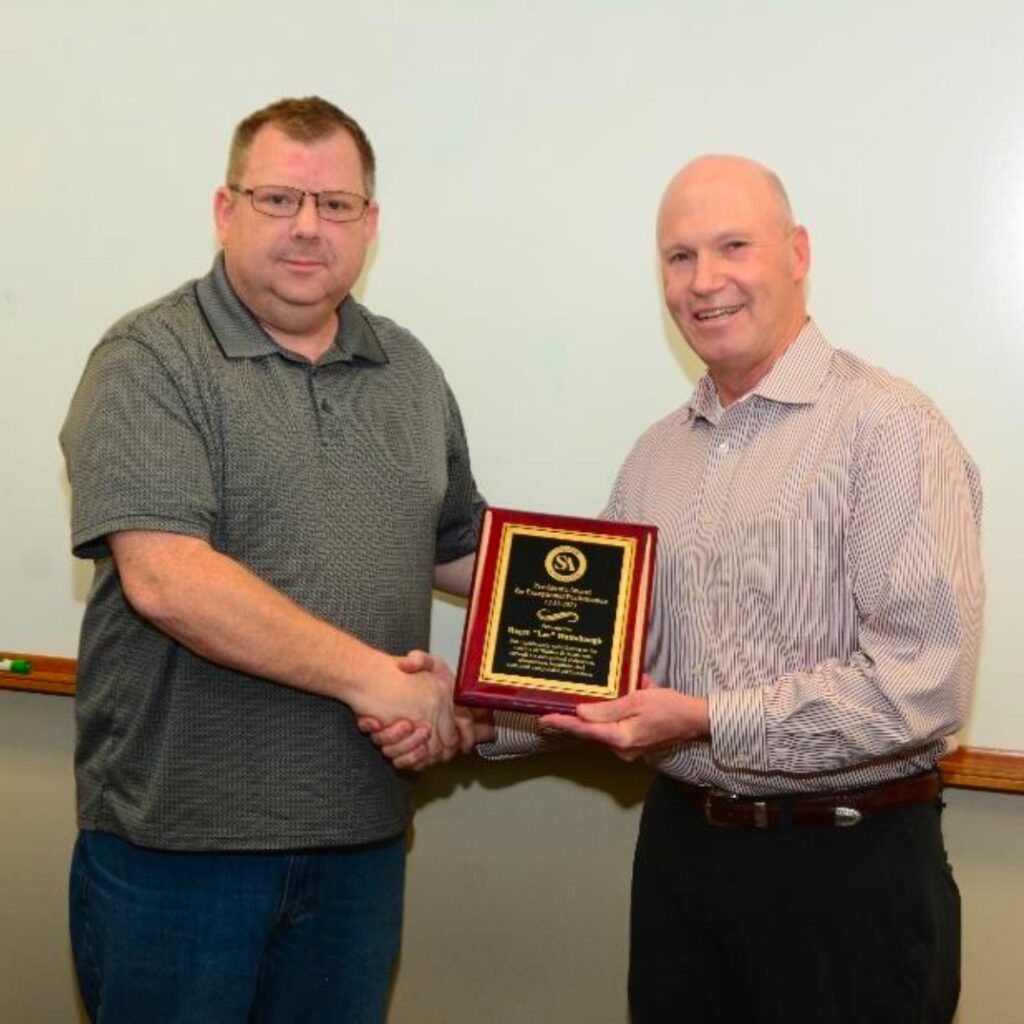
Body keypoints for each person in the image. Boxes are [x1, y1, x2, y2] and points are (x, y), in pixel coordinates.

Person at [368, 155, 984, 1024]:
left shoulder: (888, 430)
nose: (705, 282)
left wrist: (706, 718)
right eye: (679, 257)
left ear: (797, 252)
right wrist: (471, 713)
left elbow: (924, 685)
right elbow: (603, 665)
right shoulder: (659, 453)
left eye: (733, 246)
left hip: (846, 876)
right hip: (683, 858)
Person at [60, 96, 487, 1024]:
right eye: (278, 198)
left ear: (369, 225)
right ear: (226, 210)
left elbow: (461, 548)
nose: (307, 227)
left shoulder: (408, 370)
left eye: (335, 205)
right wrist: (379, 680)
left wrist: (614, 605)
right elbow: (168, 578)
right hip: (179, 855)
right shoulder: (149, 360)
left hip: (361, 847)